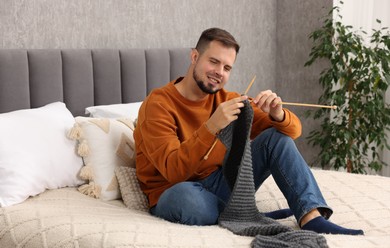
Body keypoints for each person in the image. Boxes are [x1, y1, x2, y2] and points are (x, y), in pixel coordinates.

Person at [134, 27, 363, 235]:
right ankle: (244, 213)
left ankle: (310, 215)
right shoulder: (157, 104)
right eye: (213, 62)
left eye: (226, 67)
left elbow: (292, 132)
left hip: (221, 183)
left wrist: (277, 114)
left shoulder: (229, 100)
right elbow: (174, 170)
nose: (219, 72)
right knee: (183, 198)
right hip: (174, 190)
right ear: (195, 57)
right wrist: (211, 126)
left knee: (275, 138)